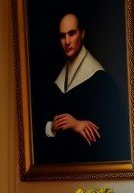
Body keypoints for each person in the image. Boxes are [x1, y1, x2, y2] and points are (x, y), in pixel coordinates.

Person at [36, 11, 128, 164]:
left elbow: (114, 138)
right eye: (62, 36)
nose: (67, 41)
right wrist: (54, 126)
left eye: (72, 33)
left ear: (82, 33)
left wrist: (77, 124)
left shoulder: (102, 82)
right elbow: (37, 129)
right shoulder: (55, 81)